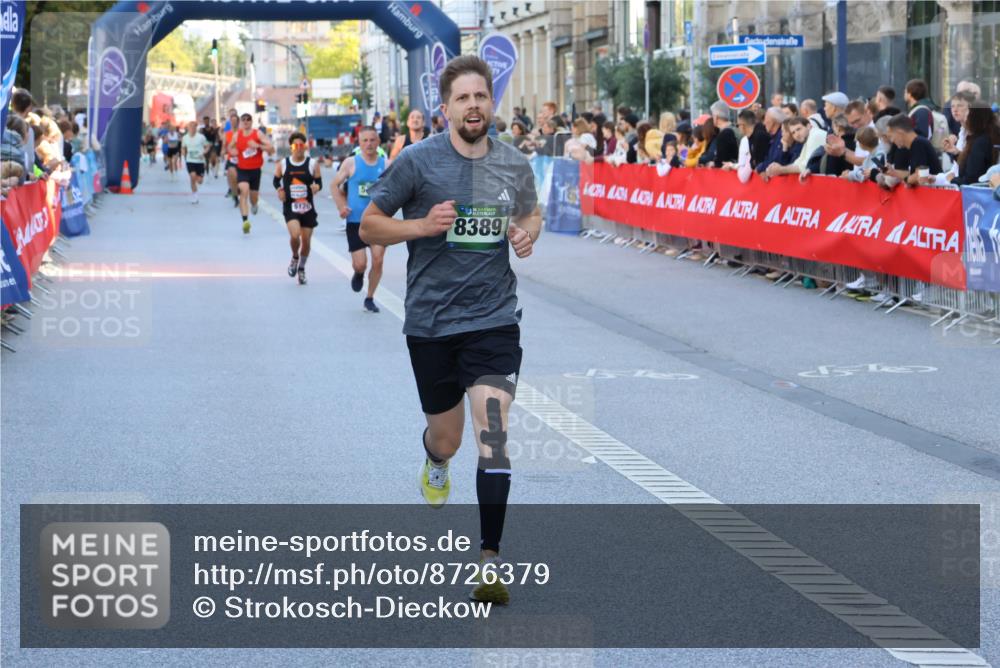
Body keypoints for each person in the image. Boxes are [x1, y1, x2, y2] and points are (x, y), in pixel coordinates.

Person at [361, 54, 540, 606]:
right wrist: (421, 225)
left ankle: (489, 560)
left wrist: (526, 233)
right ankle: (435, 459)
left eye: (480, 97)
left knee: (493, 431)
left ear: (492, 103)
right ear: (445, 109)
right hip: (432, 323)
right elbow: (370, 224)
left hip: (493, 318)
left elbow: (531, 212)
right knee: (450, 437)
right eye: (462, 98)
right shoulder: (417, 161)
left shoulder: (513, 164)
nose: (473, 106)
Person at [332, 126, 387, 312]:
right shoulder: (350, 163)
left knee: (378, 260)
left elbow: (396, 189)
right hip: (355, 221)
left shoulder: (385, 164)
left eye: (372, 140)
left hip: (378, 220)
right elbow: (334, 185)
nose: (369, 144)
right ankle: (359, 272)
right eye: (365, 141)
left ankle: (370, 298)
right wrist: (341, 207)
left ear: (378, 142)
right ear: (359, 143)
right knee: (361, 263)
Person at [274, 131, 322, 284]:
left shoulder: (312, 164)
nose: (299, 148)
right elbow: (276, 181)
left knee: (306, 241)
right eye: (296, 145)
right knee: (295, 235)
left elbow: (319, 182)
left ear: (305, 147)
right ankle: (295, 256)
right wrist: (280, 190)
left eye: (302, 145)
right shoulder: (283, 163)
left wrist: (316, 187)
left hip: (307, 208)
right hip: (291, 207)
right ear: (291, 147)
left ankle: (301, 268)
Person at [227, 112, 275, 234]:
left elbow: (271, 148)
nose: (246, 121)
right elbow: (229, 147)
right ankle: (245, 221)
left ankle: (254, 205)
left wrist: (257, 146)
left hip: (255, 170)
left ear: (251, 122)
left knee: (253, 198)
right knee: (244, 191)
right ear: (241, 122)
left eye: (248, 119)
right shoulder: (237, 135)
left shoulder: (257, 133)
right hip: (242, 169)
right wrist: (233, 152)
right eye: (244, 119)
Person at [942, 102, 1000, 186]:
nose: (965, 120)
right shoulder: (990, 135)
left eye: (967, 116)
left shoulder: (980, 142)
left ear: (975, 119)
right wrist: (957, 153)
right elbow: (975, 164)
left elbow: (971, 179)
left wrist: (952, 180)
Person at [884, 112, 942, 187]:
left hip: (935, 191)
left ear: (900, 133)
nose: (891, 141)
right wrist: (894, 173)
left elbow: (918, 174)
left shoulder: (918, 144)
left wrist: (907, 180)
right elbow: (913, 174)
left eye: (891, 136)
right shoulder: (914, 144)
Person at [700, 101, 738, 167]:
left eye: (712, 115)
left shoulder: (725, 133)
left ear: (716, 117)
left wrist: (714, 164)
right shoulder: (736, 130)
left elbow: (723, 159)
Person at [181, 120, 210, 203]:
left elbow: (207, 146)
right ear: (188, 128)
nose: (192, 129)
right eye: (190, 127)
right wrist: (183, 152)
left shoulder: (201, 137)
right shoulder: (185, 137)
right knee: (192, 176)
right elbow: (183, 147)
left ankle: (198, 182)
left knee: (200, 181)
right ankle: (195, 196)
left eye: (193, 127)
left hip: (200, 161)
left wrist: (203, 152)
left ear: (196, 128)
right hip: (190, 160)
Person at [756, 107, 786, 174]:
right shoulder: (773, 137)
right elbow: (769, 158)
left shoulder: (783, 135)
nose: (764, 123)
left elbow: (775, 160)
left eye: (766, 119)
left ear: (773, 121)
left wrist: (759, 168)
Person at [223, 111, 240, 207]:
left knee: (238, 179)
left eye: (235, 121)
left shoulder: (241, 133)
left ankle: (237, 191)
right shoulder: (227, 134)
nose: (234, 122)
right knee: (232, 178)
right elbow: (224, 146)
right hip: (231, 159)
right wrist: (223, 151)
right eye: (232, 121)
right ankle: (236, 198)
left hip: (241, 159)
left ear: (238, 122)